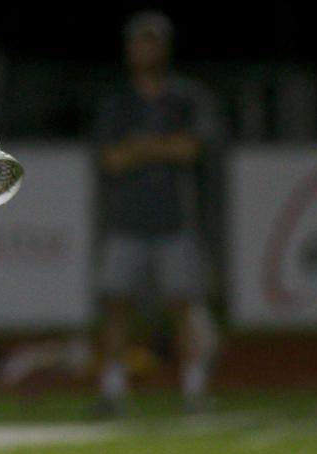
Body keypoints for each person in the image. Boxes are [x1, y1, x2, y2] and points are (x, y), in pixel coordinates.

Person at [93, 10, 219, 416]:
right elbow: (111, 158)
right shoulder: (117, 101)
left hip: (175, 221)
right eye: (138, 42)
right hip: (126, 221)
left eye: (152, 42)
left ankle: (194, 390)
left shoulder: (187, 98)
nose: (145, 50)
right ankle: (112, 390)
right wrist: (161, 147)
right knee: (116, 305)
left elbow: (191, 149)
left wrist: (141, 148)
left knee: (185, 305)